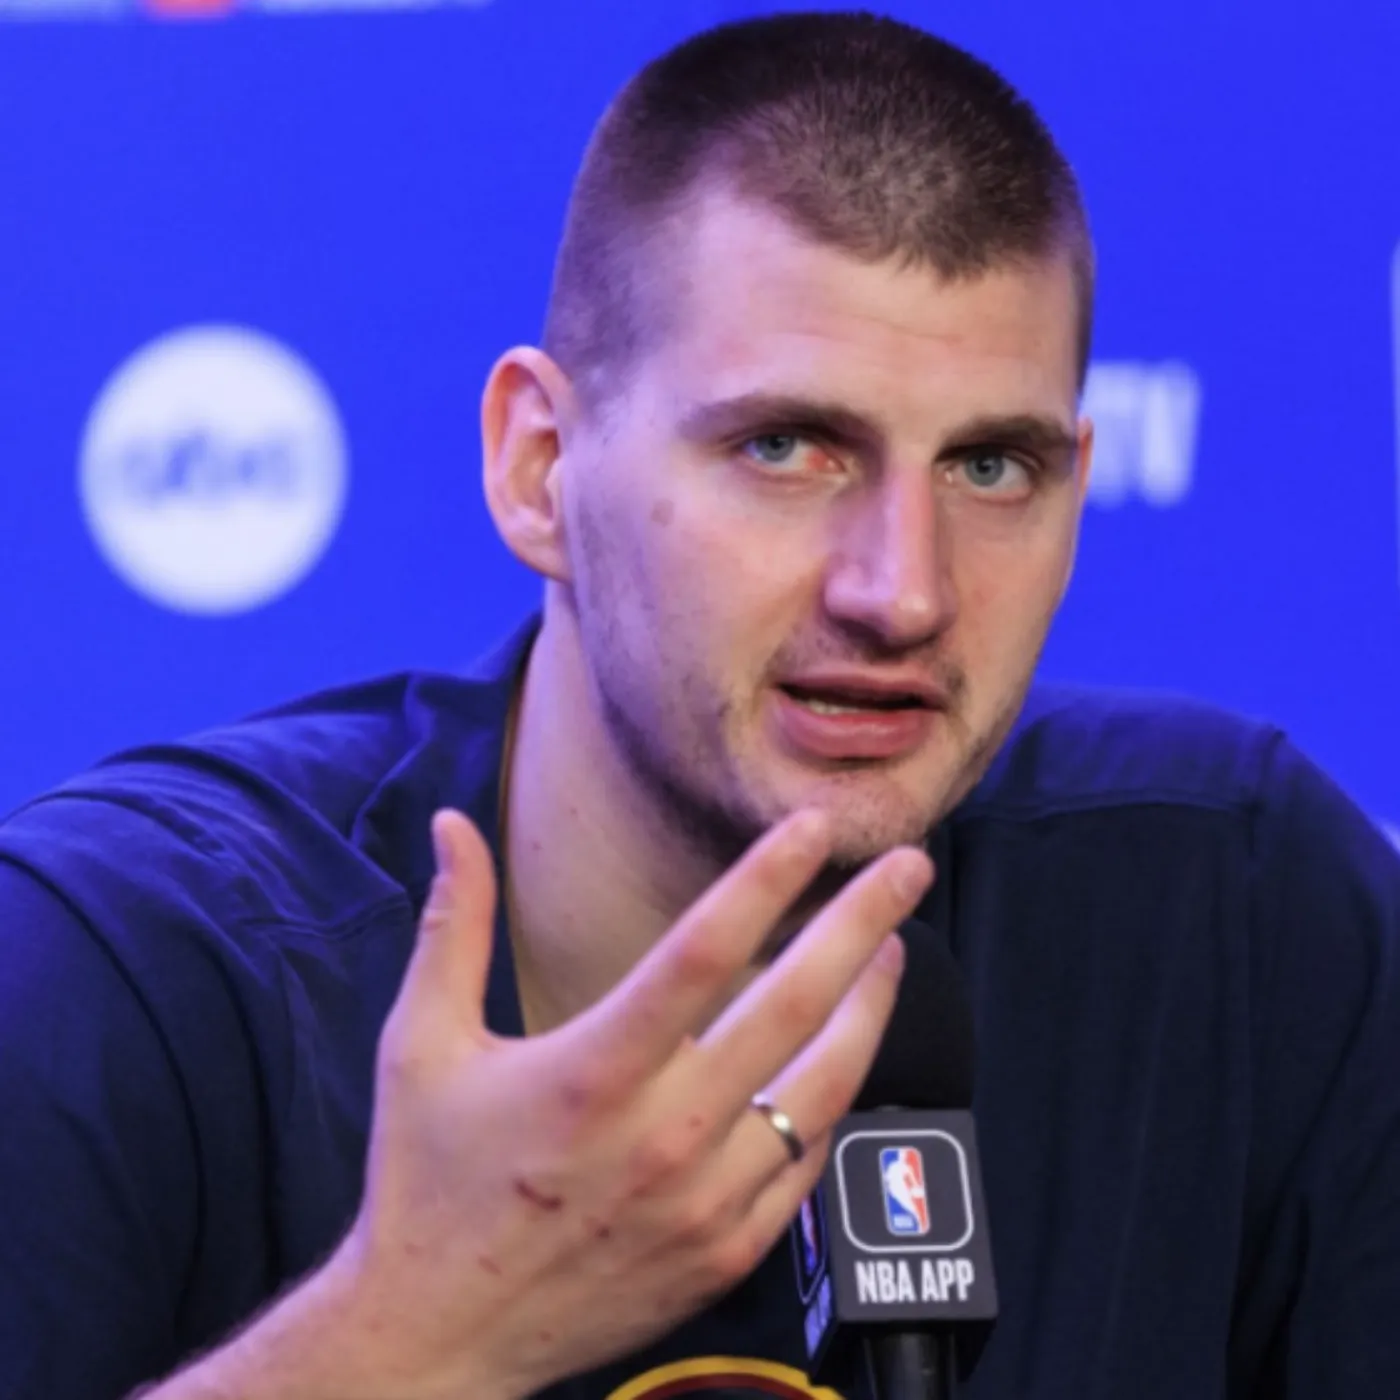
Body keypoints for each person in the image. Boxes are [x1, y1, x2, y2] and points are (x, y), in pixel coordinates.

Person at [1, 11, 1397, 1400]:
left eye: (989, 469)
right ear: (541, 468)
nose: (902, 593)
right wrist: (401, 1337)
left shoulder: (1240, 907)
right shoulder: (122, 968)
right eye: (785, 447)